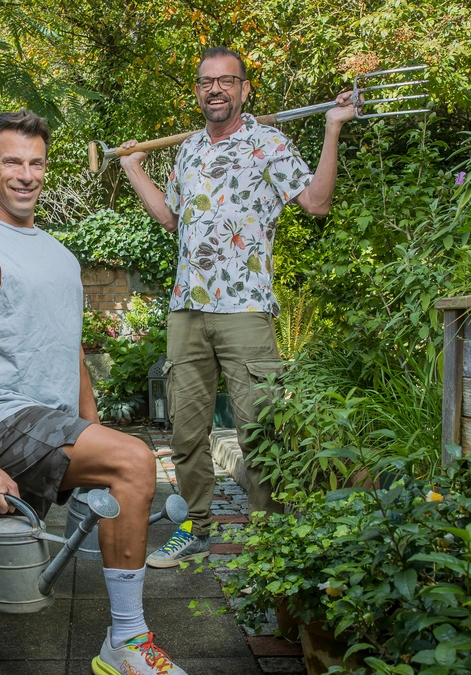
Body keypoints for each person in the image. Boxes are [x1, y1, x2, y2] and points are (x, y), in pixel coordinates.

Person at [0, 110, 189, 675]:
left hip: (52, 420)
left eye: (36, 163)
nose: (26, 174)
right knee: (135, 463)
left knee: (11, 535)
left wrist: (94, 428)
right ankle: (126, 641)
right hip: (2, 417)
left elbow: (71, 351)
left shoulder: (59, 254)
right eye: (12, 162)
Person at [117, 46, 357, 567]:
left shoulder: (269, 143)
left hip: (246, 308)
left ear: (245, 89)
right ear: (197, 92)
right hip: (186, 309)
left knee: (260, 429)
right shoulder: (188, 150)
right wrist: (134, 169)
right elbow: (172, 218)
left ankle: (271, 540)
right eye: (207, 82)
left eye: (227, 80)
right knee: (186, 433)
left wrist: (333, 128)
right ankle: (196, 528)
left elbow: (316, 203)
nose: (216, 89)